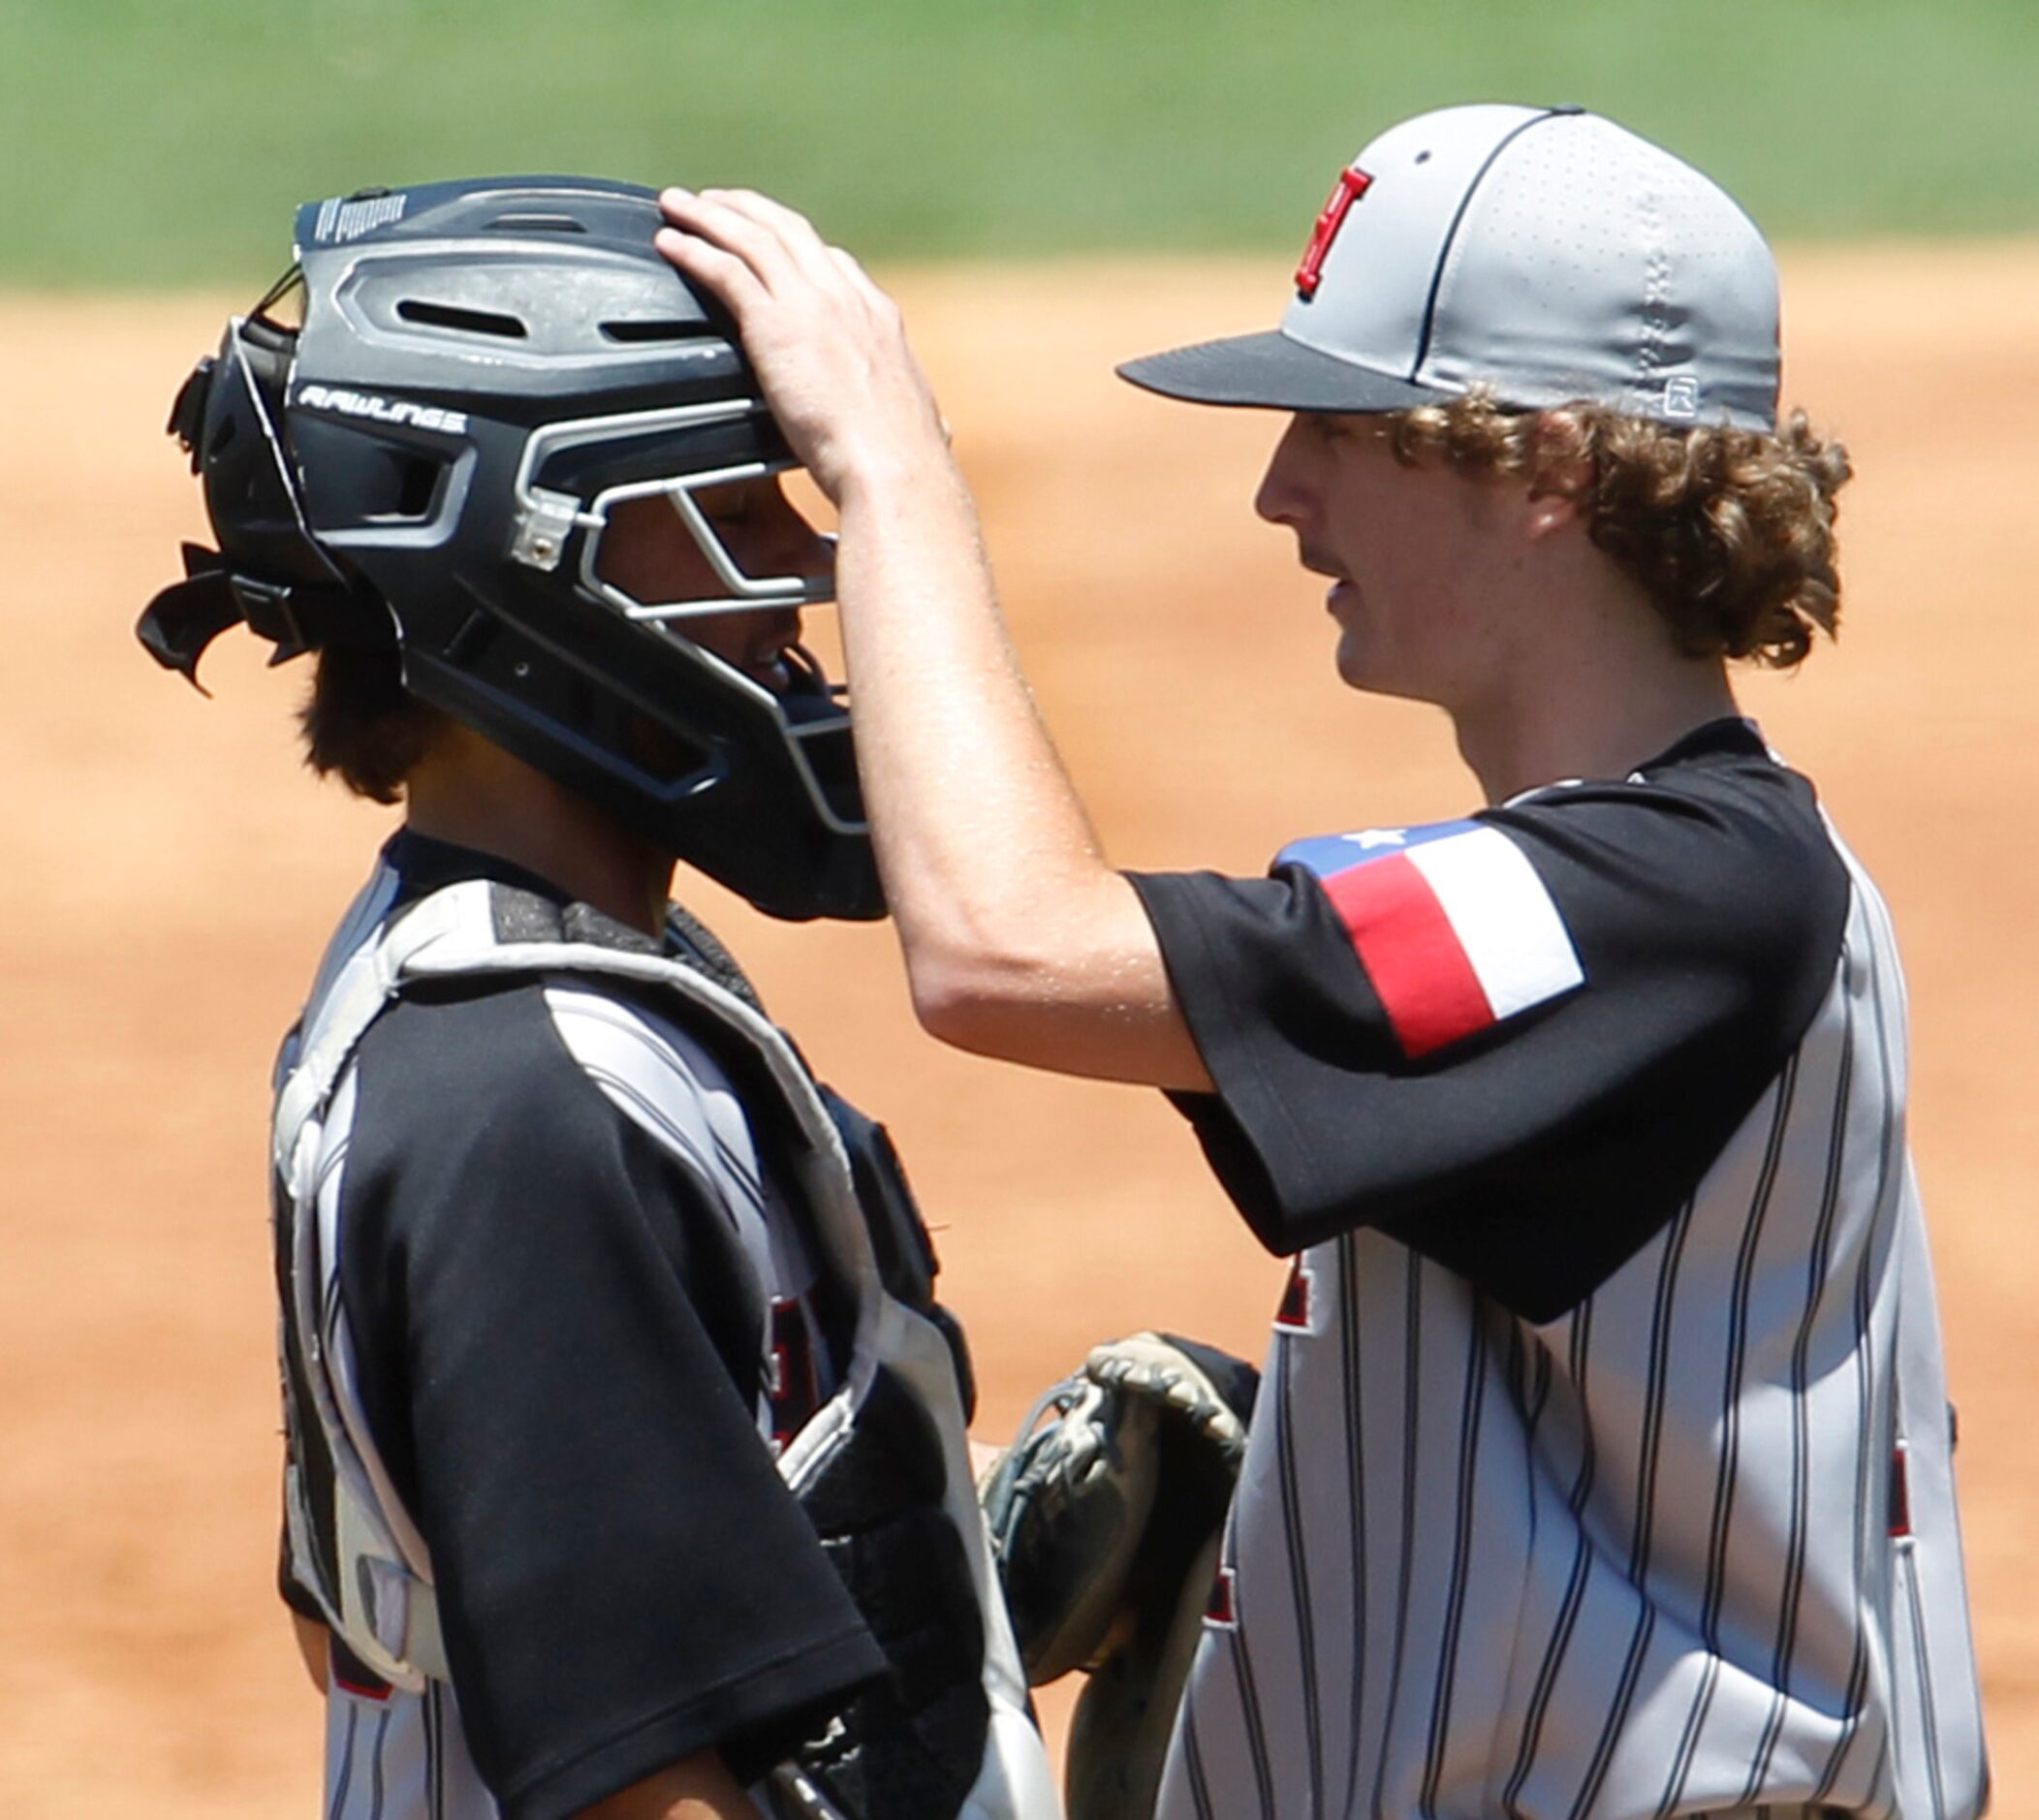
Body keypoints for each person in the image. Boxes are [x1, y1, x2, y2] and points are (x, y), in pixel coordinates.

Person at [653, 103, 1990, 1816]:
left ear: (1549, 468)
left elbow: (1007, 947)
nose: (1283, 487)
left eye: (1348, 423)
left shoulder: (1681, 895)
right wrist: (1288, 1518)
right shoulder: (1644, 892)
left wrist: (889, 468)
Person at [138, 176, 1057, 1820]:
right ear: (531, 560)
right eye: (733, 502)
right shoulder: (527, 1100)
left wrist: (963, 1534)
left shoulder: (524, 981)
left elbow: (390, 1592)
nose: (801, 566)